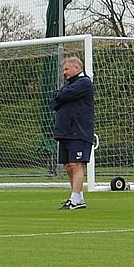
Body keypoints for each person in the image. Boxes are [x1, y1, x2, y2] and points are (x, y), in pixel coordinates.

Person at [51, 55, 95, 210]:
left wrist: (61, 94)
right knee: (68, 165)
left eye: (67, 69)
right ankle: (79, 198)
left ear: (77, 68)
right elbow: (54, 101)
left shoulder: (84, 83)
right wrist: (60, 95)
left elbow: (62, 95)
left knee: (76, 164)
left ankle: (74, 199)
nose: (64, 73)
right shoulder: (69, 85)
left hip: (79, 131)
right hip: (64, 132)